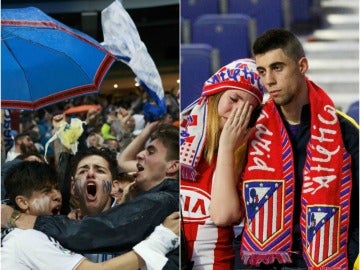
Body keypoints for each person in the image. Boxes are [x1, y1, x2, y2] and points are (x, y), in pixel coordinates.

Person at [237, 28, 359, 269]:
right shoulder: (249, 128)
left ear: (302, 65)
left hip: (323, 260)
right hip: (261, 260)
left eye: (277, 68)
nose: (269, 80)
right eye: (262, 71)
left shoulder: (344, 131)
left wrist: (350, 255)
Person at [1, 123, 180, 269]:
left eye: (100, 170)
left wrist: (19, 218)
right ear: (73, 187)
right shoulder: (53, 230)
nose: (91, 175)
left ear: (114, 186)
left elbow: (104, 229)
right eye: (83, 170)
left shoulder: (149, 210)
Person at [180, 58, 264, 269]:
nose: (236, 112)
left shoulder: (249, 152)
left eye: (247, 109)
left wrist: (227, 147)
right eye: (234, 99)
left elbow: (223, 215)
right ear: (215, 95)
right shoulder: (179, 137)